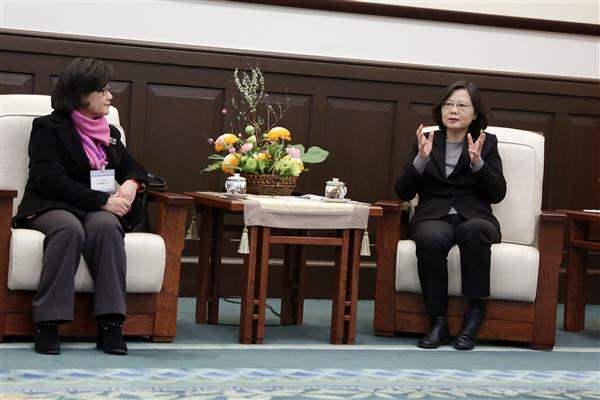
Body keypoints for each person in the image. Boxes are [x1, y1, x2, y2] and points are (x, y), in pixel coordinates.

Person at [14, 58, 148, 355]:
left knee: (107, 228)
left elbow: (134, 167)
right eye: (103, 91)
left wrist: (131, 183)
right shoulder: (48, 128)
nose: (110, 97)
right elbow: (49, 180)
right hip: (51, 205)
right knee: (68, 229)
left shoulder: (109, 133)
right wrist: (103, 201)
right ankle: (47, 323)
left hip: (95, 210)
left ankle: (111, 324)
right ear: (81, 94)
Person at [395, 81, 506, 350]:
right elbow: (402, 192)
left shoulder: (487, 143)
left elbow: (497, 193)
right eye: (448, 104)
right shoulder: (427, 140)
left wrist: (478, 163)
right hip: (433, 217)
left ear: (475, 113)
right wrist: (420, 160)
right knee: (431, 238)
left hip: (475, 217)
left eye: (461, 105)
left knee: (475, 231)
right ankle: (438, 322)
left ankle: (475, 313)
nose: (453, 110)